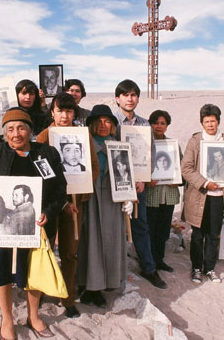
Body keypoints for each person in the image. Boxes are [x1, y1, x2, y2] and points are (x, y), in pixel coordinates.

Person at [0, 107, 67, 339]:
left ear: (30, 131)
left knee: (34, 269)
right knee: (1, 268)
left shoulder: (48, 154)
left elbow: (59, 190)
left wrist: (48, 212)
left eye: (21, 128)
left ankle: (33, 315)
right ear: (5, 133)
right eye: (11, 129)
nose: (16, 134)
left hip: (37, 227)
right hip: (0, 229)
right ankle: (7, 318)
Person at [35, 92, 99, 318]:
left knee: (70, 253)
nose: (64, 115)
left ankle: (68, 297)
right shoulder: (44, 136)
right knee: (47, 249)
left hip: (74, 205)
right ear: (52, 111)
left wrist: (79, 184)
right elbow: (37, 168)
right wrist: (55, 195)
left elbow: (93, 166)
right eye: (60, 110)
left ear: (75, 112)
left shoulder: (82, 135)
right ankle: (42, 291)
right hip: (51, 204)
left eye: (69, 111)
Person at [112, 79, 167, 289]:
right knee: (114, 227)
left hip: (138, 185)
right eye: (125, 95)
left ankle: (149, 268)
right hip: (114, 184)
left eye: (134, 94)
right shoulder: (110, 121)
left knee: (140, 225)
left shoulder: (144, 124)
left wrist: (143, 178)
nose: (130, 98)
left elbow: (150, 153)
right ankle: (114, 272)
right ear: (117, 98)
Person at [77, 105, 132, 308]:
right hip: (89, 196)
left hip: (112, 198)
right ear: (91, 124)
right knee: (89, 241)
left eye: (107, 121)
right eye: (98, 121)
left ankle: (104, 285)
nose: (103, 125)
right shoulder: (83, 144)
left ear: (112, 126)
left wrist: (129, 199)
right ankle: (87, 285)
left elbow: (126, 175)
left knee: (110, 240)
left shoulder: (118, 146)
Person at [181, 103, 224, 284]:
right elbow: (186, 168)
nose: (210, 125)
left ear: (218, 121)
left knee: (213, 235)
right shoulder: (195, 141)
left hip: (220, 197)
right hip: (199, 195)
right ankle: (197, 268)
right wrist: (205, 183)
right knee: (198, 235)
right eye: (207, 121)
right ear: (202, 123)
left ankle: (210, 269)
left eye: (213, 121)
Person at [145, 110, 182, 273]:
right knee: (149, 229)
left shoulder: (173, 145)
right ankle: (148, 261)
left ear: (167, 125)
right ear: (150, 124)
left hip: (169, 194)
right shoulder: (146, 143)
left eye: (163, 123)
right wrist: (146, 179)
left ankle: (159, 260)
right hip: (151, 194)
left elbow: (180, 168)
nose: (159, 126)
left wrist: (177, 180)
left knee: (163, 230)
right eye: (156, 123)